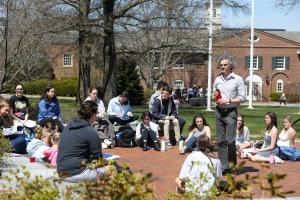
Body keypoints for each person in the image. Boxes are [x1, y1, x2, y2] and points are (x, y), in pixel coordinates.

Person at [57, 101, 114, 182]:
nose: (97, 115)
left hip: (61, 171)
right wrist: (109, 162)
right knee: (111, 169)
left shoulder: (68, 127)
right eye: (96, 113)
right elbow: (97, 160)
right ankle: (112, 193)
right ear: (92, 114)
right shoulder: (90, 131)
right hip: (75, 173)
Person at [213, 55, 245, 175]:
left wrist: (228, 101)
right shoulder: (217, 80)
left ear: (230, 66)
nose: (223, 67)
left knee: (230, 140)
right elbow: (215, 94)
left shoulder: (237, 79)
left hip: (231, 112)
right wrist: (215, 97)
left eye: (225, 65)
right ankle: (224, 167)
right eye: (221, 65)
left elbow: (242, 98)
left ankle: (233, 165)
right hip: (218, 111)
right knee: (221, 141)